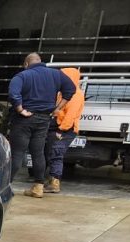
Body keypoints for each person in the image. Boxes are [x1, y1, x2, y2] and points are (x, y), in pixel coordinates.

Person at [7, 53, 76, 198]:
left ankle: (5, 187)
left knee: (17, 153)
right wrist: (57, 108)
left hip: (23, 119)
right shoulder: (56, 74)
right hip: (44, 119)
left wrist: (20, 109)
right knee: (38, 153)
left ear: (26, 64)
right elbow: (70, 89)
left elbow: (14, 94)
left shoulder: (22, 76)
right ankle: (38, 187)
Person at [43, 67, 85, 194]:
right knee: (51, 153)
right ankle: (51, 180)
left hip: (65, 129)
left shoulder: (75, 94)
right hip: (58, 127)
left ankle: (55, 183)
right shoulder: (62, 92)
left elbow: (70, 116)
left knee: (56, 154)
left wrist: (61, 130)